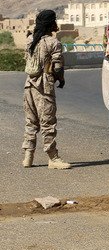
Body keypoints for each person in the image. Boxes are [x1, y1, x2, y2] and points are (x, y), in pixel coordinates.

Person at [22, 10, 71, 169]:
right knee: (48, 122)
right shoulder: (53, 43)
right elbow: (57, 67)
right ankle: (53, 158)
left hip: (29, 85)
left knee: (31, 122)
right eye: (54, 21)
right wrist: (61, 79)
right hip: (43, 88)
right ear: (50, 24)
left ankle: (28, 157)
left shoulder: (30, 40)